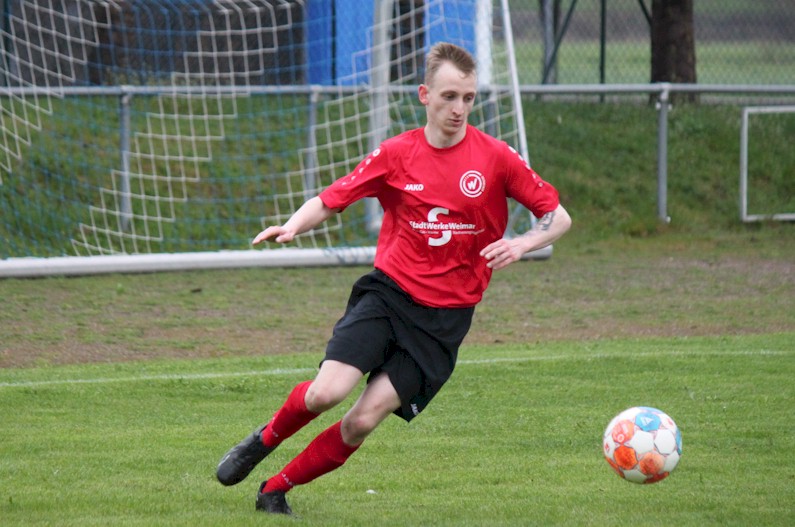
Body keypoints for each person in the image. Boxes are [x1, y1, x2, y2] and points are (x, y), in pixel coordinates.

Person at [216, 42, 571, 515]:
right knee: (327, 392)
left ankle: (275, 488)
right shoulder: (397, 154)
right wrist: (292, 226)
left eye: (468, 98)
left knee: (362, 421)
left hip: (444, 322)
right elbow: (330, 198)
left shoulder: (495, 158)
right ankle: (264, 439)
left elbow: (558, 216)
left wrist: (523, 243)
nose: (459, 108)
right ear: (424, 95)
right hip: (389, 297)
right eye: (448, 96)